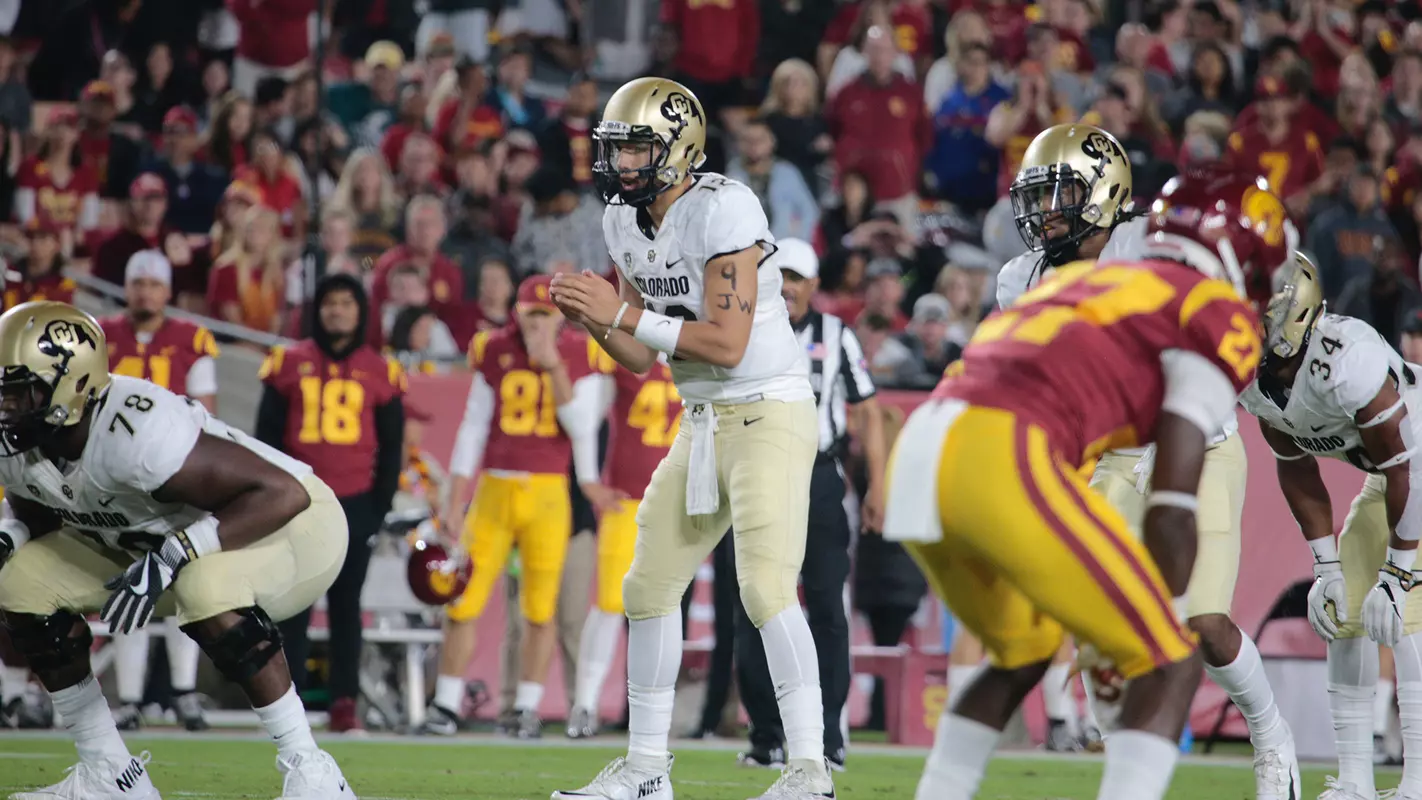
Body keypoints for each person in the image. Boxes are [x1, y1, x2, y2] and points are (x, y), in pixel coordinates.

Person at [882, 170, 1292, 800]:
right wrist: (1151, 610)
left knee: (1022, 653)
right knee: (1166, 652)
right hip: (1006, 450)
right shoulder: (1211, 312)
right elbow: (1173, 507)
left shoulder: (1088, 280)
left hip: (926, 444)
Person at [1000, 124, 1302, 799]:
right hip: (1112, 460)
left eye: (1062, 194)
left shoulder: (1156, 245)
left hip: (1199, 444)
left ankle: (1269, 731)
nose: (1045, 212)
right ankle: (1128, 777)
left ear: (1106, 195)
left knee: (1202, 625)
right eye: (1039, 196)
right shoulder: (1019, 279)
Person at [550, 77, 832, 800]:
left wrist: (623, 314)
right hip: (702, 420)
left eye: (637, 148)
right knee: (647, 587)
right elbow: (644, 356)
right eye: (615, 148)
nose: (622, 164)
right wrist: (596, 318)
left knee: (767, 586)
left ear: (678, 148)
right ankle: (646, 771)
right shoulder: (622, 221)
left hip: (768, 408)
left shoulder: (724, 206)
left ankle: (808, 771)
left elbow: (728, 343)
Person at [0, 302, 355, 798]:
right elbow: (36, 507)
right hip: (153, 544)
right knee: (17, 581)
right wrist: (8, 537)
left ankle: (312, 770)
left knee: (203, 584)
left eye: (18, 392)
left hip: (295, 527)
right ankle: (111, 773)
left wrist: (173, 554)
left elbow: (281, 494)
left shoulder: (135, 432)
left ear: (71, 383)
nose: (8, 407)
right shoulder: (22, 442)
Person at [1240, 254, 1422, 800]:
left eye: (1258, 318)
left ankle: (1417, 782)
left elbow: (1406, 463)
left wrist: (1398, 572)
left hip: (1416, 463)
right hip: (1394, 476)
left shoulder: (1347, 360)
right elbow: (1294, 464)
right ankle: (1356, 780)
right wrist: (1325, 566)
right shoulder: (1254, 378)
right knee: (1344, 607)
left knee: (1406, 610)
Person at [419, 274, 607, 739]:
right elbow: (474, 426)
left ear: (560, 316)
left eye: (545, 315)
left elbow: (582, 424)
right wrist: (455, 495)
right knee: (462, 599)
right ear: (517, 312)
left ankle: (527, 707)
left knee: (539, 609)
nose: (536, 324)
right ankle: (446, 702)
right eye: (530, 314)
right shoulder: (493, 348)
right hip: (496, 490)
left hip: (548, 492)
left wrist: (552, 367)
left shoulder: (581, 353)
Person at [732, 237, 885, 771]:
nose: (789, 286)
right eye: (781, 275)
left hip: (818, 475)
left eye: (798, 277)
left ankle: (827, 737)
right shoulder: (743, 328)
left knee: (826, 608)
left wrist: (878, 488)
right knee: (752, 605)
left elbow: (868, 410)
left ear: (816, 286)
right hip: (756, 473)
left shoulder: (835, 334)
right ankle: (765, 735)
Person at [255, 274, 407, 734]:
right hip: (298, 503)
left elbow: (392, 446)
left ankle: (344, 702)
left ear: (361, 311)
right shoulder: (288, 362)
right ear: (316, 310)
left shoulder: (381, 369)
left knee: (346, 609)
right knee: (291, 608)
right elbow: (265, 440)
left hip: (354, 504)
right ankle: (289, 702)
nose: (337, 311)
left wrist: (377, 508)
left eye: (347, 302)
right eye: (330, 303)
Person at [99, 250, 221, 733]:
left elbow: (207, 413)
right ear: (126, 288)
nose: (145, 291)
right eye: (138, 282)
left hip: (175, 476)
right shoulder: (102, 335)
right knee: (130, 583)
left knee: (181, 583)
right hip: (115, 478)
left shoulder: (191, 339)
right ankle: (128, 699)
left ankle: (184, 693)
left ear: (168, 291)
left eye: (154, 283)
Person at [567, 341, 682, 739]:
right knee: (610, 604)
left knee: (665, 610)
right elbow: (581, 417)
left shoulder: (704, 352)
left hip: (677, 503)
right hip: (628, 501)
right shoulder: (629, 355)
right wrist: (589, 480)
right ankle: (585, 704)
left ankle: (655, 712)